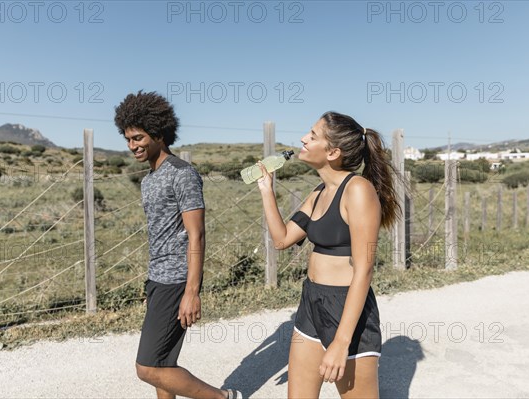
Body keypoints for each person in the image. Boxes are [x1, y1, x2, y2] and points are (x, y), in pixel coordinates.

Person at [256, 111, 400, 398]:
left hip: (347, 309)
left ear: (332, 152)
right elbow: (282, 239)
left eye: (312, 135)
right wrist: (266, 190)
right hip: (312, 302)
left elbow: (364, 270)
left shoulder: (358, 191)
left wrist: (340, 342)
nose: (303, 139)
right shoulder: (319, 192)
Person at [114, 91, 241, 399]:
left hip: (177, 281)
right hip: (158, 279)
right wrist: (151, 286)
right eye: (128, 139)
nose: (132, 146)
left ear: (158, 133)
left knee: (146, 367)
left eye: (138, 137)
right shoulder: (149, 179)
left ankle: (224, 398)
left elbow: (197, 235)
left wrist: (191, 292)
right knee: (163, 364)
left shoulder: (182, 174)